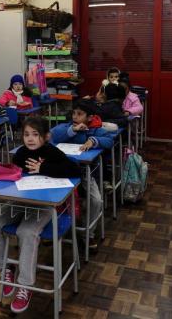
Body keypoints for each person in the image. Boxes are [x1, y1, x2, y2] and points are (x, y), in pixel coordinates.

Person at [0, 116, 80, 314]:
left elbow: (74, 169)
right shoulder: (20, 153)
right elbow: (16, 174)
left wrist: (43, 168)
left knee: (26, 232)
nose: (30, 139)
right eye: (26, 134)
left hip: (45, 206)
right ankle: (4, 270)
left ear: (46, 137)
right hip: (20, 201)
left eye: (35, 135)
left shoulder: (51, 152)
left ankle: (25, 285)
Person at [50, 101, 115, 244]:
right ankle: (54, 229)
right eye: (73, 113)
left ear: (90, 117)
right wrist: (73, 130)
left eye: (79, 114)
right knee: (52, 196)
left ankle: (88, 233)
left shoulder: (96, 129)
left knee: (96, 200)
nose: (75, 117)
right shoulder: (68, 127)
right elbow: (53, 136)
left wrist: (93, 141)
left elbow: (109, 141)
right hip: (64, 172)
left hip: (86, 173)